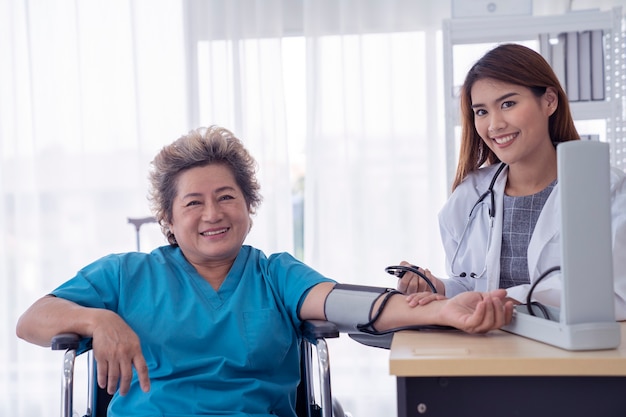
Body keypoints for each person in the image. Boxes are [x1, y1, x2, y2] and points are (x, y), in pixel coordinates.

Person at [16, 126, 513, 417]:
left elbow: (336, 301)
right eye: (193, 203)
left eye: (227, 197)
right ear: (168, 219)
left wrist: (447, 310)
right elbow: (32, 320)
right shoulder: (125, 276)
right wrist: (99, 321)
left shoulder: (273, 274)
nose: (213, 214)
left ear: (248, 209)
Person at [396, 43, 626, 320]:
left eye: (508, 104)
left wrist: (506, 299)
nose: (494, 125)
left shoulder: (606, 190)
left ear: (549, 101)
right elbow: (470, 285)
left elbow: (616, 295)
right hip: (489, 350)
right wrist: (438, 287)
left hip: (572, 354)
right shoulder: (470, 195)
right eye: (481, 111)